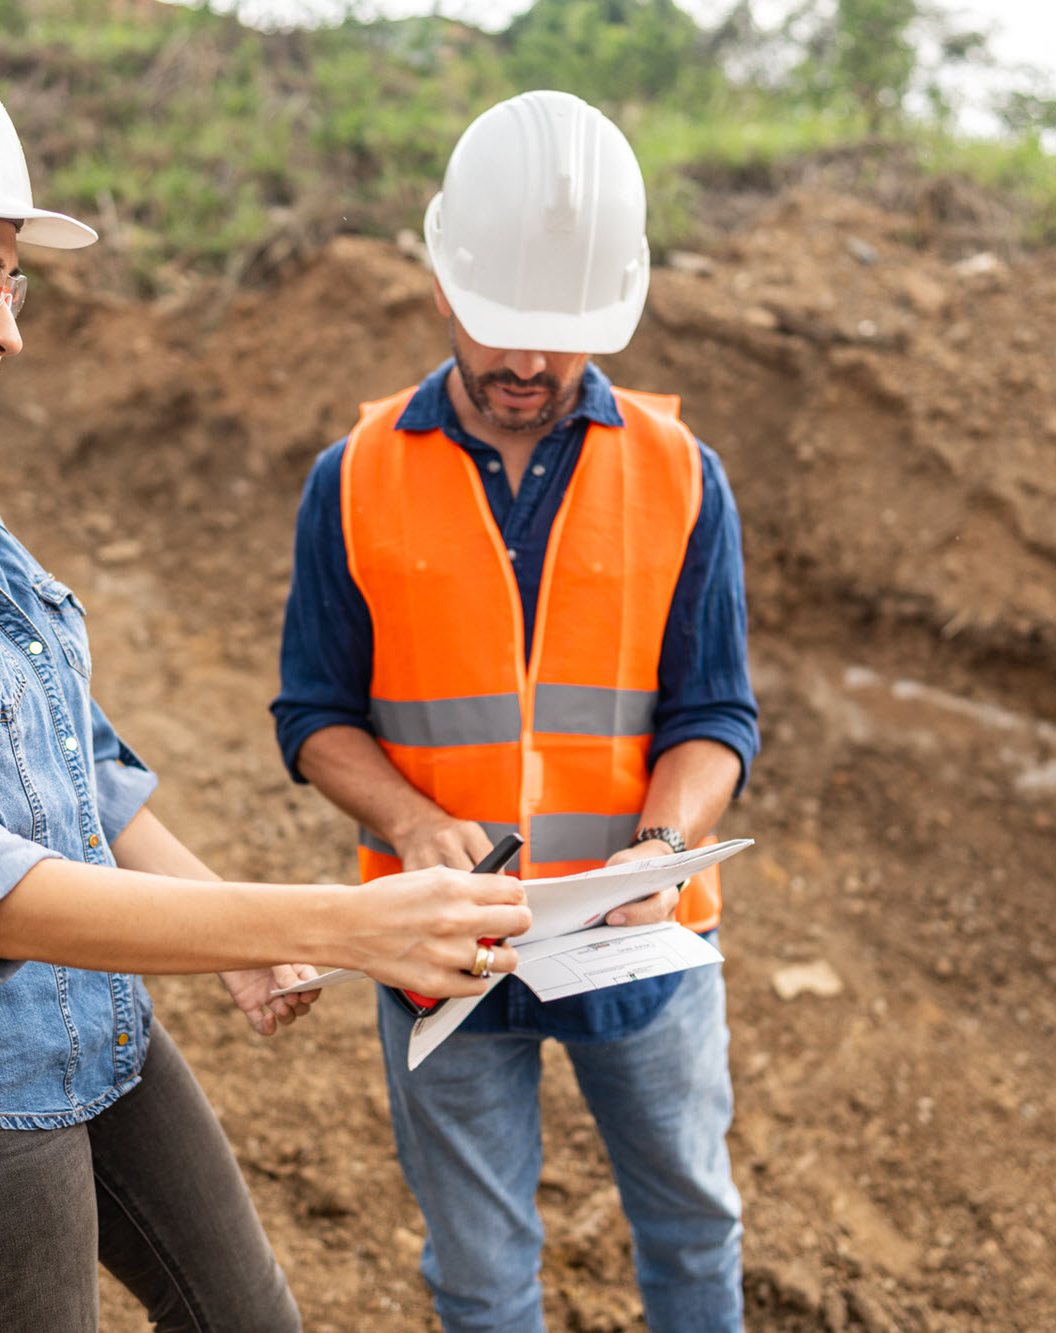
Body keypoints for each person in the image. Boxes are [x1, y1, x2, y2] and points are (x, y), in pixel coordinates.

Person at [0, 23, 529, 1333]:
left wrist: (234, 933)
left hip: (104, 1038)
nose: (6, 328)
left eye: (13, 283)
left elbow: (83, 768)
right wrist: (332, 922)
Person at [272, 90, 760, 1333]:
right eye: (501, 329)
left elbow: (714, 712)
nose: (527, 367)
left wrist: (658, 845)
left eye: (561, 337)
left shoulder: (679, 477)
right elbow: (314, 713)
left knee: (693, 1229)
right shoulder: (355, 477)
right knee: (481, 1279)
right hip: (444, 950)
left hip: (641, 949)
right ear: (442, 285)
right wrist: (411, 815)